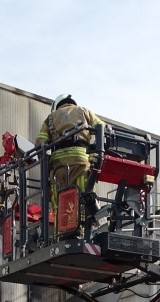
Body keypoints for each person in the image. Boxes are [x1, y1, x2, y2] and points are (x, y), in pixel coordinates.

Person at [35, 94, 104, 240]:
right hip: (80, 159)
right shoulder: (84, 111)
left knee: (59, 198)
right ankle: (83, 229)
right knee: (83, 193)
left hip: (59, 165)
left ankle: (61, 234)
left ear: (57, 105)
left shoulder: (50, 118)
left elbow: (40, 143)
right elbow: (101, 127)